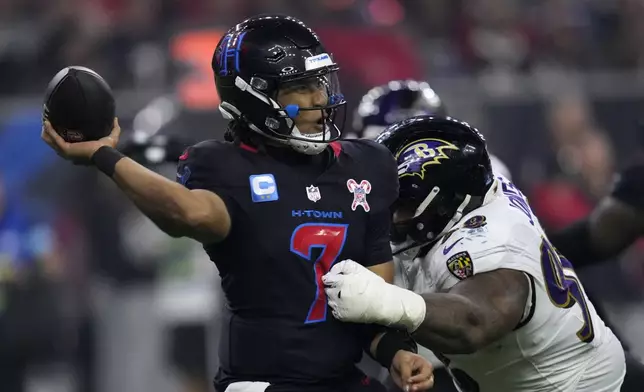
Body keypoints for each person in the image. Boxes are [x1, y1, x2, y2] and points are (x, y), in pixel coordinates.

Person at [40, 15, 434, 392]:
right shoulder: (226, 165)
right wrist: (104, 157)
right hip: (265, 383)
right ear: (255, 95)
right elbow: (186, 214)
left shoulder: (365, 165)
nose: (321, 99)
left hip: (344, 379)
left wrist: (396, 352)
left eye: (322, 83)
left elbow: (372, 302)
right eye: (302, 87)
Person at [323, 116, 626, 391]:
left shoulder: (491, 241)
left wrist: (382, 300)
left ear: (442, 202)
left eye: (400, 205)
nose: (391, 217)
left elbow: (474, 322)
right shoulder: (472, 196)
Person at [349, 79, 512, 180]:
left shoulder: (480, 167)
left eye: (413, 145)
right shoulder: (342, 166)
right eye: (383, 142)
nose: (399, 156)